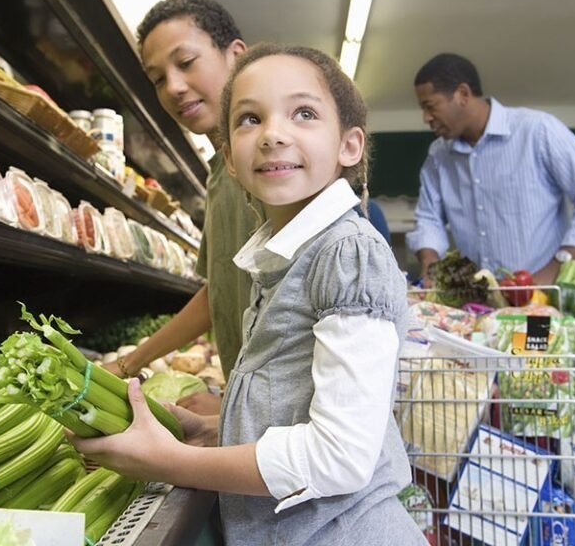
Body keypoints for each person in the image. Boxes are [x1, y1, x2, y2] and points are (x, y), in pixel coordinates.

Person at [71, 43, 425, 545]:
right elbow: (297, 403)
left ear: (349, 146)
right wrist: (218, 434)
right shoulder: (284, 259)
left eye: (303, 113)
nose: (272, 135)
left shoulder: (348, 254)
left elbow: (340, 456)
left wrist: (174, 461)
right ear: (230, 160)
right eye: (249, 119)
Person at [103, 0, 260, 416]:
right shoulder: (218, 175)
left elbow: (310, 307)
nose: (173, 86)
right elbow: (219, 292)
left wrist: (236, 406)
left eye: (186, 62)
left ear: (236, 56)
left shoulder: (273, 167)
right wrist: (126, 364)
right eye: (157, 78)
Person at [406, 53, 575, 285]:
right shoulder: (439, 156)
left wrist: (558, 265)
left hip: (544, 295)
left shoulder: (537, 131)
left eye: (430, 106)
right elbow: (429, 217)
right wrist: (430, 263)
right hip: (478, 301)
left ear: (462, 94)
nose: (426, 117)